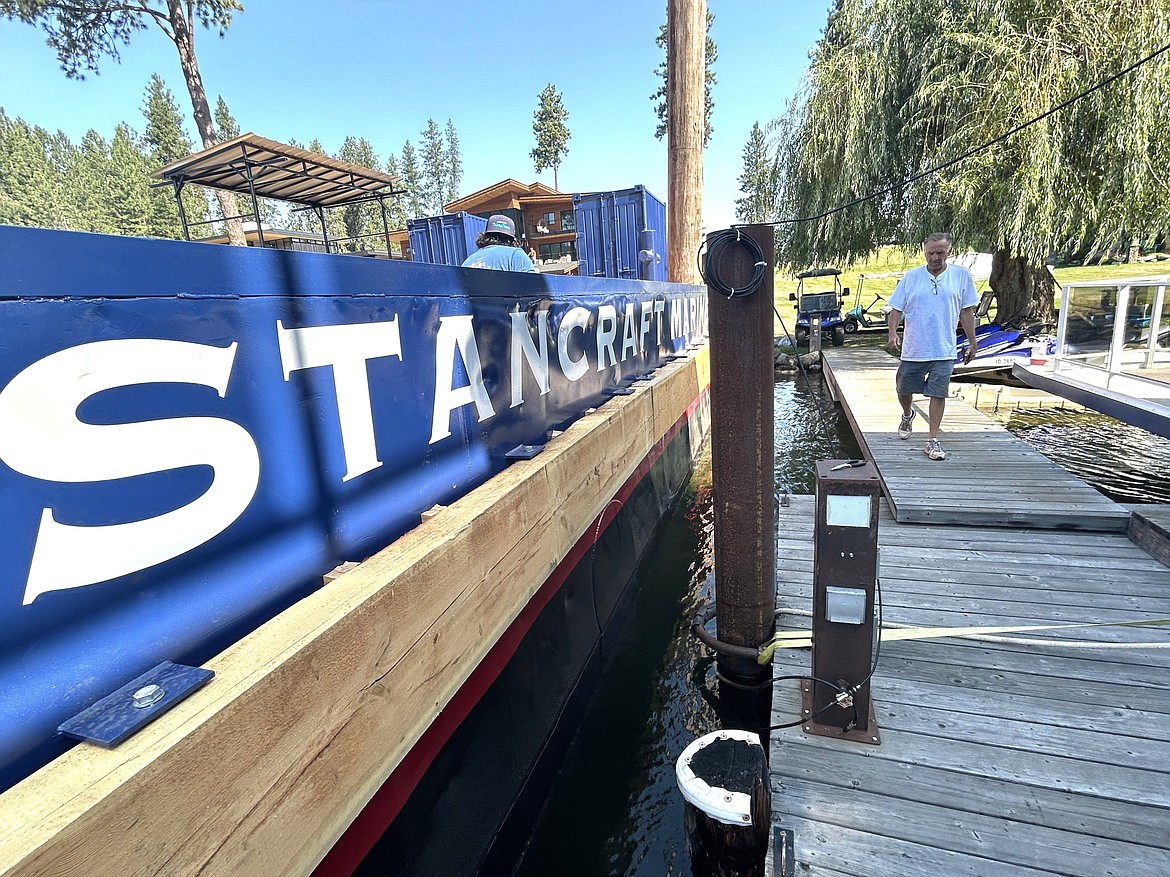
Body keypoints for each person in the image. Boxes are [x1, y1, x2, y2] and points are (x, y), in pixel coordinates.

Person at [886, 232, 979, 461]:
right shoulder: (912, 277)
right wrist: (892, 333)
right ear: (925, 252)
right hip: (914, 347)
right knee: (903, 388)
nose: (935, 257)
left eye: (940, 252)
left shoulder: (960, 276)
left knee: (938, 393)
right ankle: (908, 415)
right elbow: (896, 308)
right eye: (931, 253)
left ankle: (932, 439)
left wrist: (972, 342)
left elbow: (966, 311)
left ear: (949, 251)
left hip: (944, 348)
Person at [461, 215, 537, 272]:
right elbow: (533, 288)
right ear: (512, 240)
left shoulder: (470, 260)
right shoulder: (516, 255)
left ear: (485, 236)